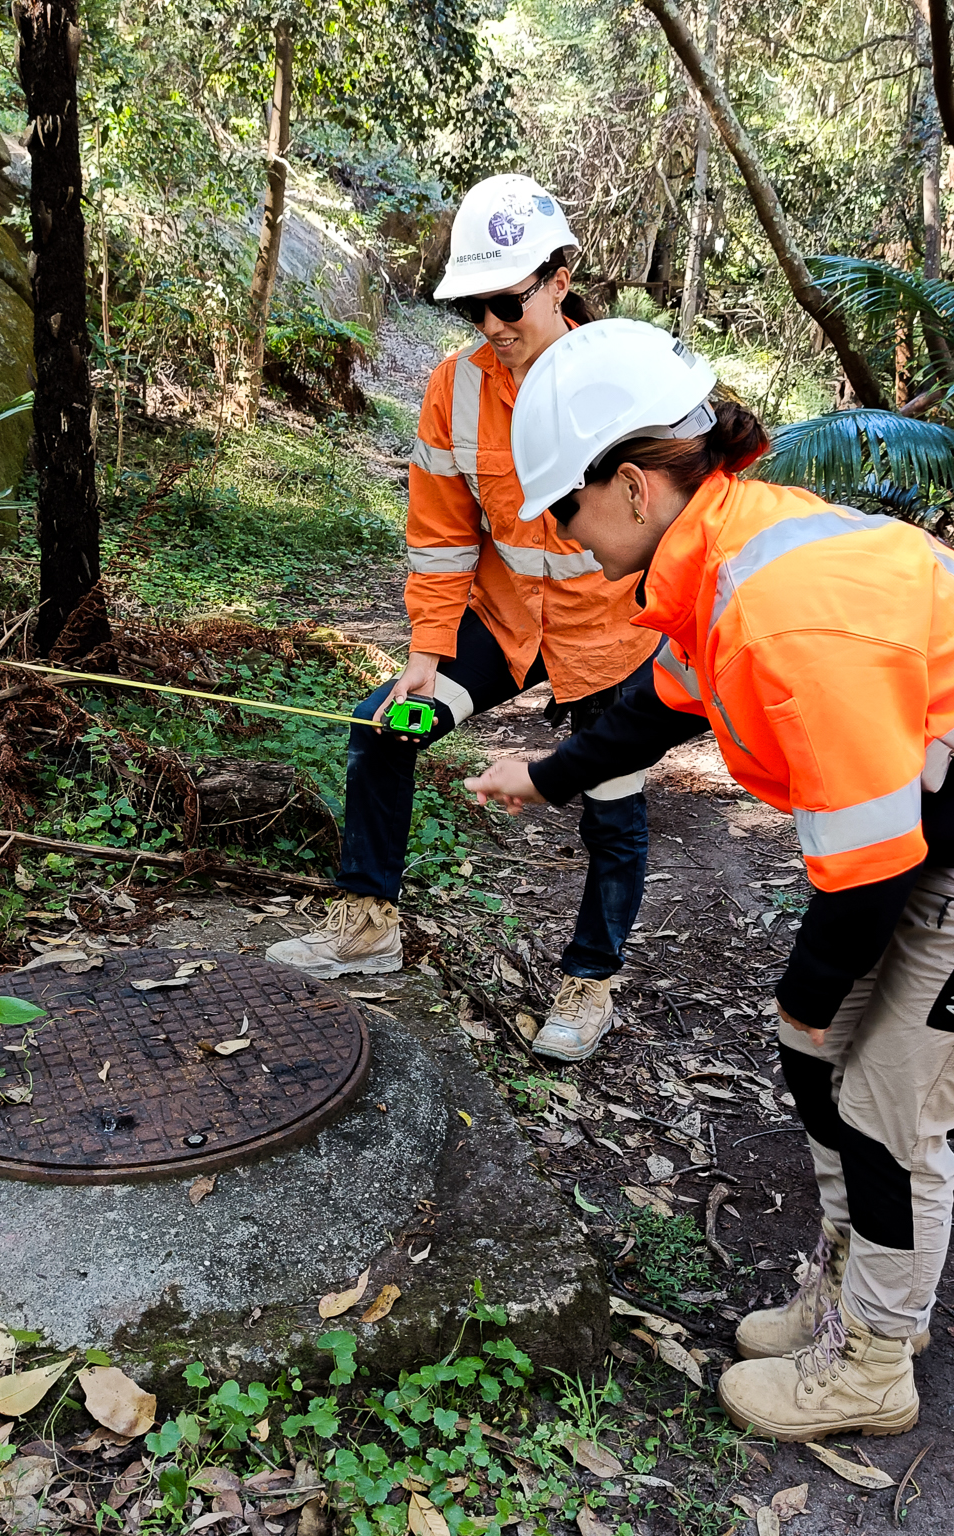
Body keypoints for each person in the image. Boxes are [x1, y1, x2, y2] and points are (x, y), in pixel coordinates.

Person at [462, 319, 954, 1441]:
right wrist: (540, 779)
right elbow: (655, 704)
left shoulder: (788, 612)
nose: (558, 536)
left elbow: (867, 873)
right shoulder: (728, 554)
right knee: (826, 1063)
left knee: (885, 1104)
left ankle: (873, 1365)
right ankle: (852, 1302)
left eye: (562, 509)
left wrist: (802, 1000)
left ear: (631, 488)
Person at [267, 175, 660, 1063]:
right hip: (507, 622)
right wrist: (426, 650)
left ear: (561, 278)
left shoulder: (629, 382)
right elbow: (442, 536)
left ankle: (590, 980)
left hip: (613, 636)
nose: (491, 324)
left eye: (507, 301)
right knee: (383, 727)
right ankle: (368, 924)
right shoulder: (459, 386)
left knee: (612, 801)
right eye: (473, 307)